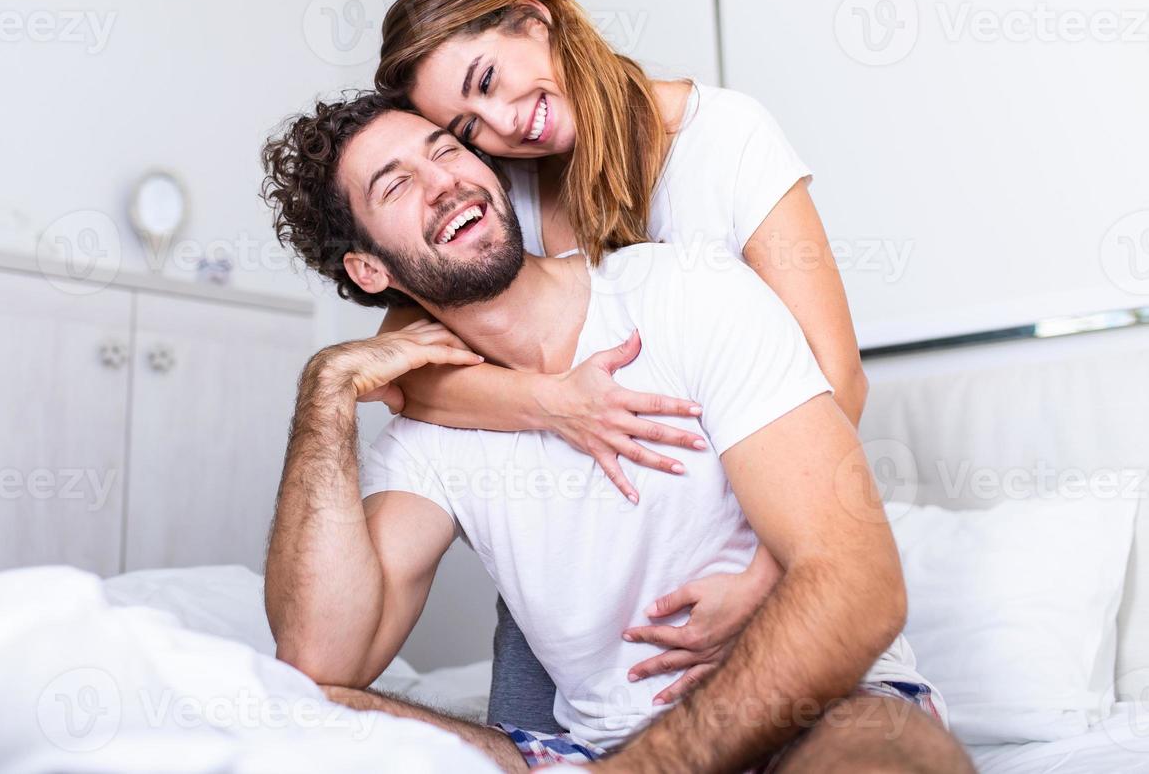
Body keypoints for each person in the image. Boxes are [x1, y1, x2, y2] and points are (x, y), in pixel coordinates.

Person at [258, 96, 971, 772]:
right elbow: (320, 662)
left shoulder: (684, 291)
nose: (443, 182)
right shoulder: (429, 431)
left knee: (884, 755)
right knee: (312, 715)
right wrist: (325, 396)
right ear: (369, 269)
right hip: (601, 752)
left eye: (445, 150)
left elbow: (860, 585)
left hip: (820, 718)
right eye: (397, 185)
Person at [373, 0, 869, 725]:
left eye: (488, 80)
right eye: (467, 128)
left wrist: (772, 573)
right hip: (572, 603)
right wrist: (555, 404)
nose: (504, 124)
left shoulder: (725, 137)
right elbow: (402, 374)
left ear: (533, 19)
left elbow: (838, 377)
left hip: (742, 559)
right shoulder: (502, 195)